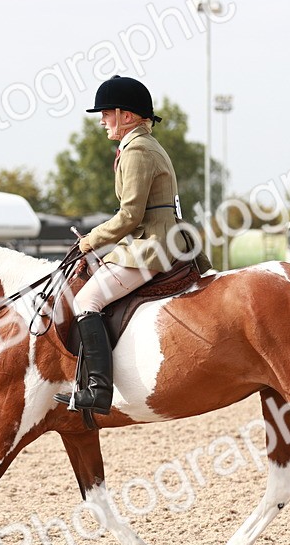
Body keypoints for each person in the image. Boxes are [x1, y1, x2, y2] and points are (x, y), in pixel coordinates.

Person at [55, 75, 195, 415]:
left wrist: (90, 241)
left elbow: (130, 215)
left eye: (106, 113)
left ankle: (98, 390)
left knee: (87, 300)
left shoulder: (138, 150)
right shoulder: (144, 145)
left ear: (126, 116)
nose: (102, 120)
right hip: (159, 237)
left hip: (152, 244)